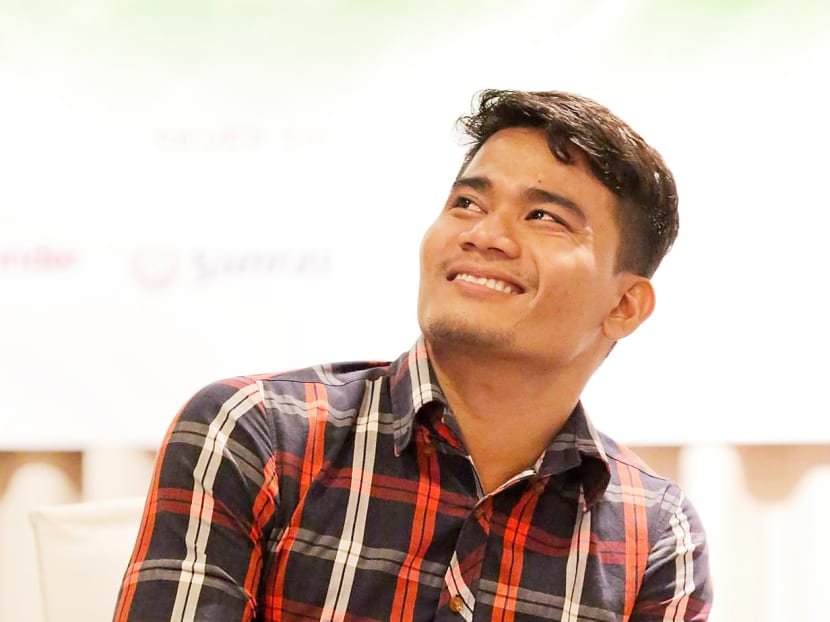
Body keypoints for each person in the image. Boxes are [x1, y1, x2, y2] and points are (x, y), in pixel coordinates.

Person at [114, 89, 712, 621]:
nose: (483, 234)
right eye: (467, 204)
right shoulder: (257, 432)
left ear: (625, 305)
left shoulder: (656, 534)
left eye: (543, 217)